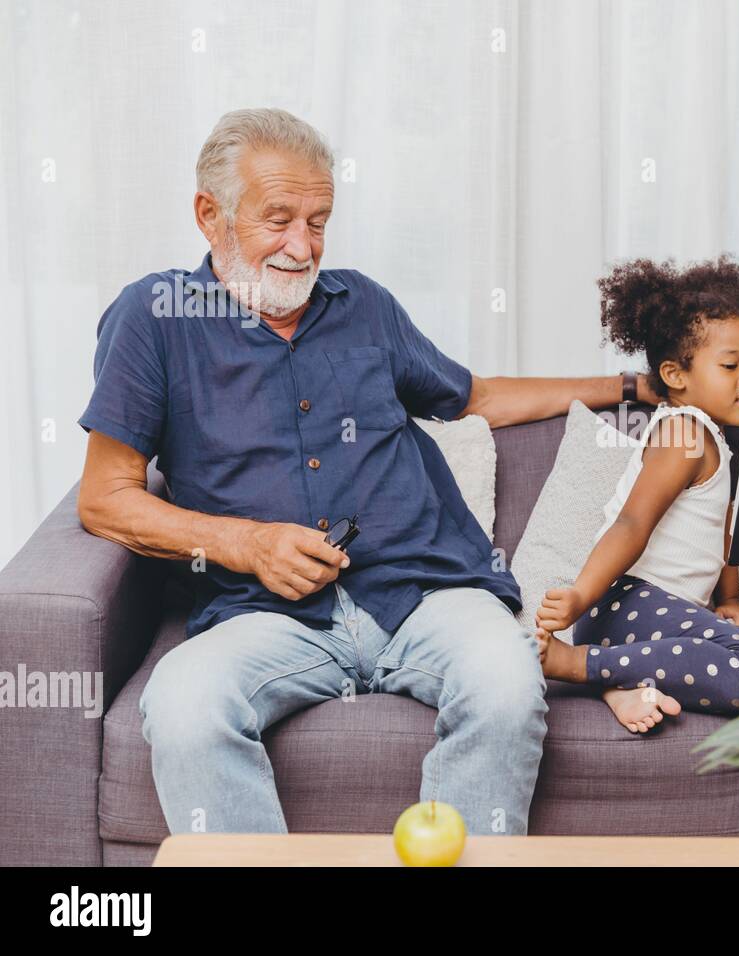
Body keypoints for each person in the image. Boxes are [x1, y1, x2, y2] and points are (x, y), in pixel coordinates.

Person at [75, 108, 658, 835]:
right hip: (267, 617)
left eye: (318, 221)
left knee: (509, 681)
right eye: (278, 218)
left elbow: (473, 397)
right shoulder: (153, 319)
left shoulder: (365, 307)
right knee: (185, 706)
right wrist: (247, 544)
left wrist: (626, 389)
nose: (302, 246)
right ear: (209, 214)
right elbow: (105, 500)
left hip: (423, 593)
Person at [534, 256, 739, 733]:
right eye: (730, 365)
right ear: (676, 375)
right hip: (622, 605)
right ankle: (574, 665)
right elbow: (631, 523)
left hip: (655, 617)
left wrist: (729, 600)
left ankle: (621, 679)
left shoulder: (716, 439)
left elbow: (722, 527)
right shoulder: (683, 432)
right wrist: (580, 595)